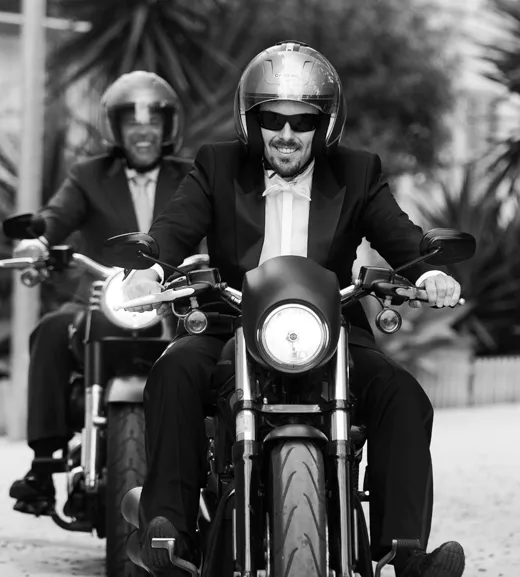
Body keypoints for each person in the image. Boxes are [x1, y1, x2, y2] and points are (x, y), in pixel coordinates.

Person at [121, 41, 467, 577]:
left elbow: (402, 237)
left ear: (325, 124)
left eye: (302, 121)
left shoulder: (357, 171)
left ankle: (403, 551)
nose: (286, 134)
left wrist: (428, 273)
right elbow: (175, 226)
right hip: (232, 324)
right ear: (251, 121)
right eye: (273, 119)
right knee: (173, 370)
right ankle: (171, 535)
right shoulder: (217, 165)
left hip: (331, 331)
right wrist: (152, 267)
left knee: (402, 393)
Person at [8, 71, 192, 515]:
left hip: (172, 298)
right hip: (101, 297)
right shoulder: (88, 175)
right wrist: (38, 243)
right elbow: (57, 216)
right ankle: (42, 466)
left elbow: (217, 220)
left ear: (168, 126)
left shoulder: (191, 175)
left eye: (153, 121)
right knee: (52, 330)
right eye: (132, 122)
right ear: (116, 128)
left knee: (215, 341)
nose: (143, 131)